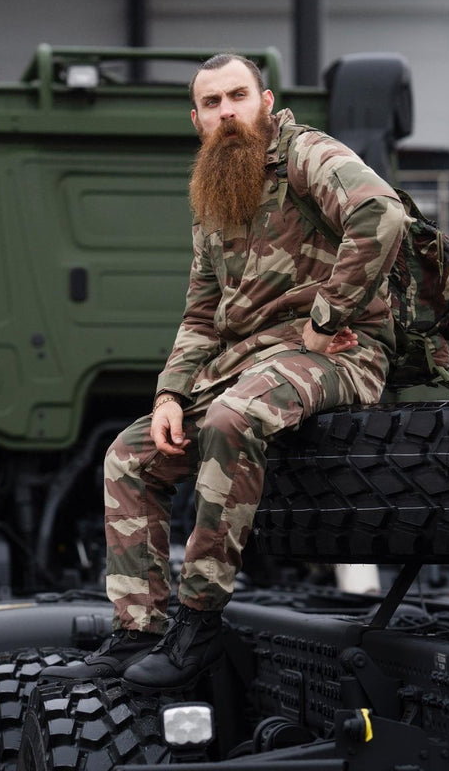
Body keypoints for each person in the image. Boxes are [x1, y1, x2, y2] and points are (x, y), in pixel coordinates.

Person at [45, 53, 408, 691]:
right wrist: (166, 394)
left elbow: (381, 213)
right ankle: (139, 630)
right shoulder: (216, 194)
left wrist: (327, 318)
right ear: (198, 119)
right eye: (212, 103)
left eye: (237, 95)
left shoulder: (305, 155)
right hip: (250, 360)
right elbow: (202, 313)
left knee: (231, 416)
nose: (227, 112)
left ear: (265, 102)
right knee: (127, 456)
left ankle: (199, 622)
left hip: (341, 354)